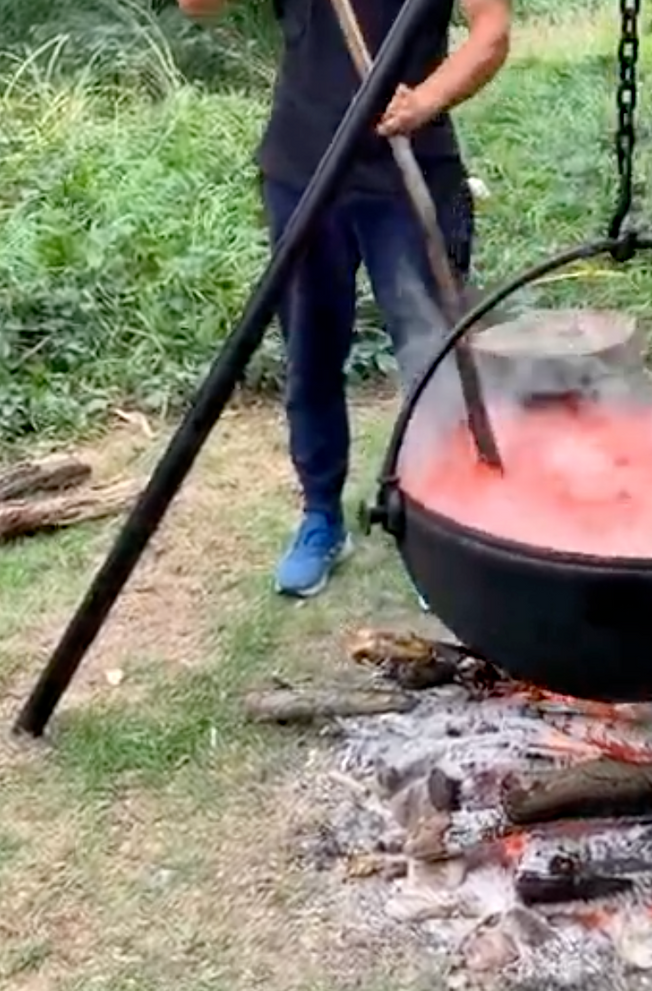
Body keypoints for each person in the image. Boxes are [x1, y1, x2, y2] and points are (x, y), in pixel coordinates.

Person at [178, 0, 512, 597]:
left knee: (433, 358)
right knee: (310, 351)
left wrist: (425, 101)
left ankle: (445, 527)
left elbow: (491, 35)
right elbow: (197, 7)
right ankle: (322, 518)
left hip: (410, 167)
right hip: (304, 169)